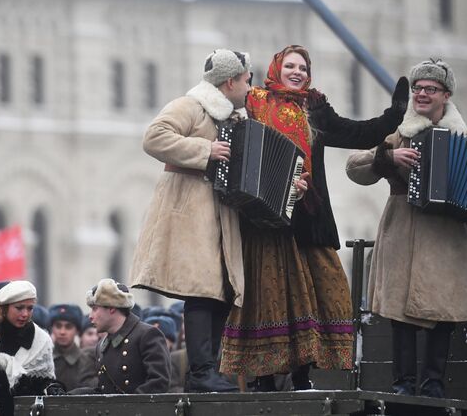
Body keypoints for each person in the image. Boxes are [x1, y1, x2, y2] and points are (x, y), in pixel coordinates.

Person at [220, 45, 410, 390]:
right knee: (268, 296)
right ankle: (264, 377)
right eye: (290, 66)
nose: (298, 72)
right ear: (276, 69)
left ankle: (302, 375)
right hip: (263, 219)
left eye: (303, 68)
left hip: (308, 217)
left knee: (322, 293)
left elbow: (359, 133)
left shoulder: (315, 110)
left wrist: (394, 114)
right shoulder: (253, 104)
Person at [346, 58, 467, 398]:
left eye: (430, 89)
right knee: (400, 314)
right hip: (403, 232)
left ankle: (433, 385)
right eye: (418, 89)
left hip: (446, 239)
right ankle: (402, 385)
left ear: (446, 95)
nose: (422, 94)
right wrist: (388, 158)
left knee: (442, 311)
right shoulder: (400, 135)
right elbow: (354, 168)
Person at [129, 48, 252, 393]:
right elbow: (154, 138)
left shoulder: (236, 117)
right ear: (230, 81)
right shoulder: (190, 105)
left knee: (221, 291)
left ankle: (208, 370)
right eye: (246, 80)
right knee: (202, 290)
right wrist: (205, 151)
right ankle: (200, 373)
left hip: (221, 214)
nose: (249, 87)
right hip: (191, 212)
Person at [0, 280, 58, 416]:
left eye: (30, 308)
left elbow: (45, 384)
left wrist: (52, 388)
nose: (25, 314)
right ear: (4, 308)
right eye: (19, 308)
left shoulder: (41, 341)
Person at [71, 278, 171, 394]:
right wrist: (69, 395)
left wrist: (127, 407)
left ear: (112, 307)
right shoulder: (102, 345)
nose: (90, 316)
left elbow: (158, 383)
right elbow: (105, 391)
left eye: (95, 309)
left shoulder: (147, 335)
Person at [49, 304, 97, 391]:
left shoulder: (87, 361)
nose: (62, 332)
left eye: (68, 327)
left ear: (77, 331)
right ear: (52, 328)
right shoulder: (45, 359)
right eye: (58, 326)